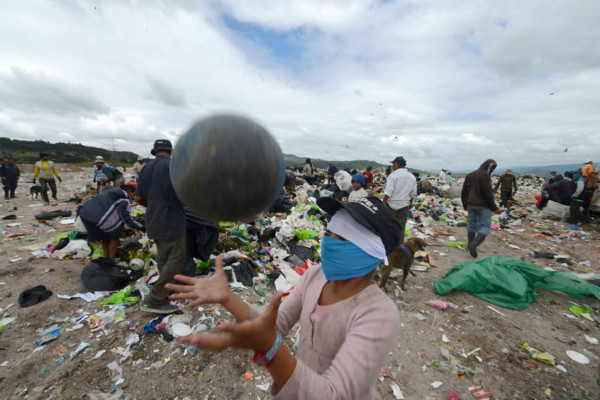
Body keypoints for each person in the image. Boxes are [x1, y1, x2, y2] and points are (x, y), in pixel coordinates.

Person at [166, 196, 402, 399]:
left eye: (343, 238)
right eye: (330, 232)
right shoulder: (314, 276)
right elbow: (275, 325)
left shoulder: (378, 314)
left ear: (370, 252)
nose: (329, 241)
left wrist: (270, 349)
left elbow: (334, 394)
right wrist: (228, 298)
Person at [135, 139, 186, 314]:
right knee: (177, 257)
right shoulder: (174, 167)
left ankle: (165, 291)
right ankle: (155, 299)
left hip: (153, 219)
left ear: (154, 152)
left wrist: (154, 206)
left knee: (164, 258)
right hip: (171, 219)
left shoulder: (145, 169)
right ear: (170, 151)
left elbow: (138, 198)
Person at [78, 184, 144, 258]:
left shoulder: (111, 192)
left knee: (104, 236)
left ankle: (107, 259)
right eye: (133, 194)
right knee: (115, 233)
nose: (133, 197)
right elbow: (126, 219)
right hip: (97, 216)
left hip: (84, 212)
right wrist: (141, 227)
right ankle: (111, 260)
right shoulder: (124, 198)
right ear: (128, 191)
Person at [461, 159, 501, 258]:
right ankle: (474, 244)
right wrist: (495, 208)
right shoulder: (485, 176)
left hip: (471, 204)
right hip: (483, 206)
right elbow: (488, 195)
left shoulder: (470, 175)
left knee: (471, 224)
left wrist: (465, 205)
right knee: (485, 227)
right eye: (492, 169)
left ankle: (470, 244)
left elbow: (464, 192)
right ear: (489, 167)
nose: (492, 171)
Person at [383, 156, 417, 245]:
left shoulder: (393, 175)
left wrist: (383, 202)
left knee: (389, 226)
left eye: (393, 164)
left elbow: (388, 191)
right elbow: (413, 193)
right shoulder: (412, 177)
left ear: (397, 164)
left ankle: (388, 244)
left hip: (391, 206)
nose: (393, 166)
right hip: (404, 205)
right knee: (401, 227)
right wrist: (410, 202)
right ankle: (398, 246)